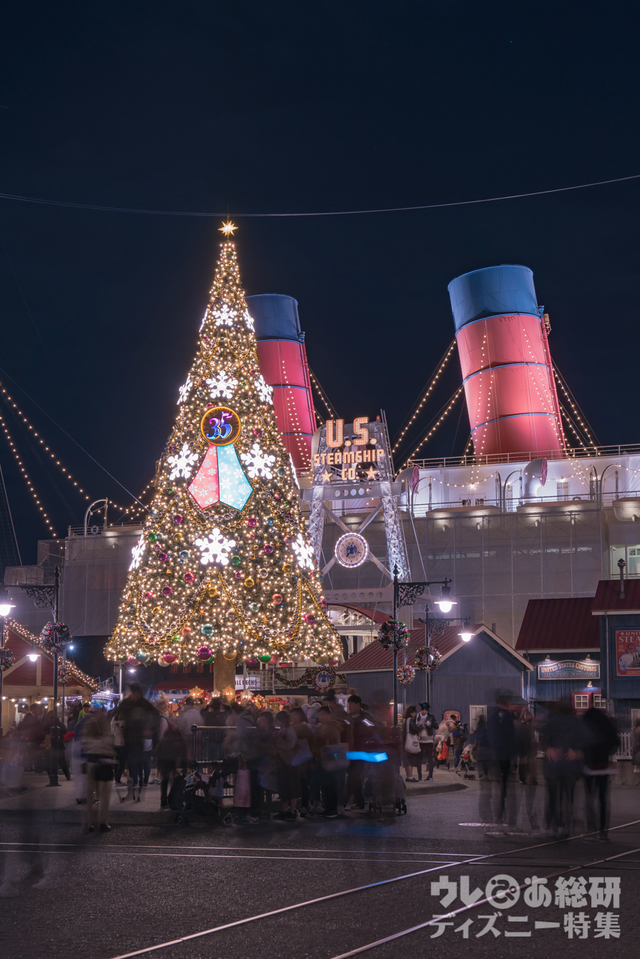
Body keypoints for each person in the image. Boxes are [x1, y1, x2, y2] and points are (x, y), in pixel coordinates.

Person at [540, 701, 586, 837]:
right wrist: (578, 751)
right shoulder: (577, 723)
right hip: (570, 766)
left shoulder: (552, 722)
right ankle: (565, 825)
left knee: (553, 796)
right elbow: (588, 739)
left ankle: (551, 824)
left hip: (553, 764)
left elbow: (543, 736)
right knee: (568, 796)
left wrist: (548, 748)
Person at [112, 684, 159, 800]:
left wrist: (150, 729)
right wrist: (118, 726)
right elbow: (115, 713)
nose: (134, 696)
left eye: (136, 694)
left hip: (138, 738)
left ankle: (137, 789)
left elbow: (157, 714)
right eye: (133, 693)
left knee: (137, 763)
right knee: (132, 764)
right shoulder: (126, 703)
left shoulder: (143, 703)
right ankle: (132, 789)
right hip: (127, 737)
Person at [582, 706, 619, 840]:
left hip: (589, 765)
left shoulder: (585, 725)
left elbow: (580, 743)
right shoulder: (607, 725)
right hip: (603, 765)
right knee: (603, 798)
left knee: (589, 797)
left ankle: (590, 826)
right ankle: (603, 828)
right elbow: (615, 742)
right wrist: (607, 753)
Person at [79, 707, 116, 832]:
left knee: (89, 796)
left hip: (90, 764)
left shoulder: (87, 732)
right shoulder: (106, 733)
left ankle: (88, 823)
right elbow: (111, 746)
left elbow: (83, 745)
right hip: (104, 765)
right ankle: (103, 822)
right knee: (104, 795)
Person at [345, 694, 376, 809]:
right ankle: (359, 803)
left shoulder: (366, 717)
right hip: (349, 750)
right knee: (354, 777)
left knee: (353, 776)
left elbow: (372, 730)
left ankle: (343, 802)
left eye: (351, 704)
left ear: (358, 705)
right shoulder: (347, 718)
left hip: (362, 750)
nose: (350, 707)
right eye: (349, 704)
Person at [314, 705, 344, 818]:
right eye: (319, 715)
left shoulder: (332, 726)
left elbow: (328, 739)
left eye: (323, 714)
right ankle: (328, 807)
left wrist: (318, 737)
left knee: (330, 784)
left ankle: (332, 808)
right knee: (325, 785)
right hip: (323, 758)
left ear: (329, 715)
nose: (320, 717)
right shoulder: (324, 726)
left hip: (329, 757)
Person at [273, 710, 300, 821]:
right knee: (285, 787)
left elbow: (290, 745)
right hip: (286, 762)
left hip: (288, 762)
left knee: (290, 787)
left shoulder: (289, 731)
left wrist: (278, 742)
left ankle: (291, 810)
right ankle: (286, 809)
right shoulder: (286, 730)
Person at [156, 719, 188, 809]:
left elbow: (183, 756)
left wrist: (183, 768)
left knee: (168, 780)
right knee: (167, 779)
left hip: (168, 761)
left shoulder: (167, 741)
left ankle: (168, 800)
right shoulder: (171, 743)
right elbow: (183, 756)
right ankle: (166, 800)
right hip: (166, 761)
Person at [416, 702, 437, 781]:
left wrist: (430, 724)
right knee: (419, 758)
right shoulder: (417, 716)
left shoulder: (431, 716)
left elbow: (436, 726)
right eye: (423, 710)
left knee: (429, 758)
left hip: (429, 740)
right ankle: (419, 776)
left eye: (425, 710)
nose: (424, 711)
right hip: (420, 740)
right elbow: (414, 727)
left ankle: (430, 776)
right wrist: (418, 725)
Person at [402, 706, 422, 781]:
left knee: (406, 760)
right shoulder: (410, 720)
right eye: (414, 713)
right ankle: (410, 777)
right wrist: (420, 726)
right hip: (409, 741)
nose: (415, 714)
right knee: (410, 760)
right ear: (411, 713)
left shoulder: (405, 720)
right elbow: (414, 729)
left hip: (405, 741)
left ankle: (408, 776)